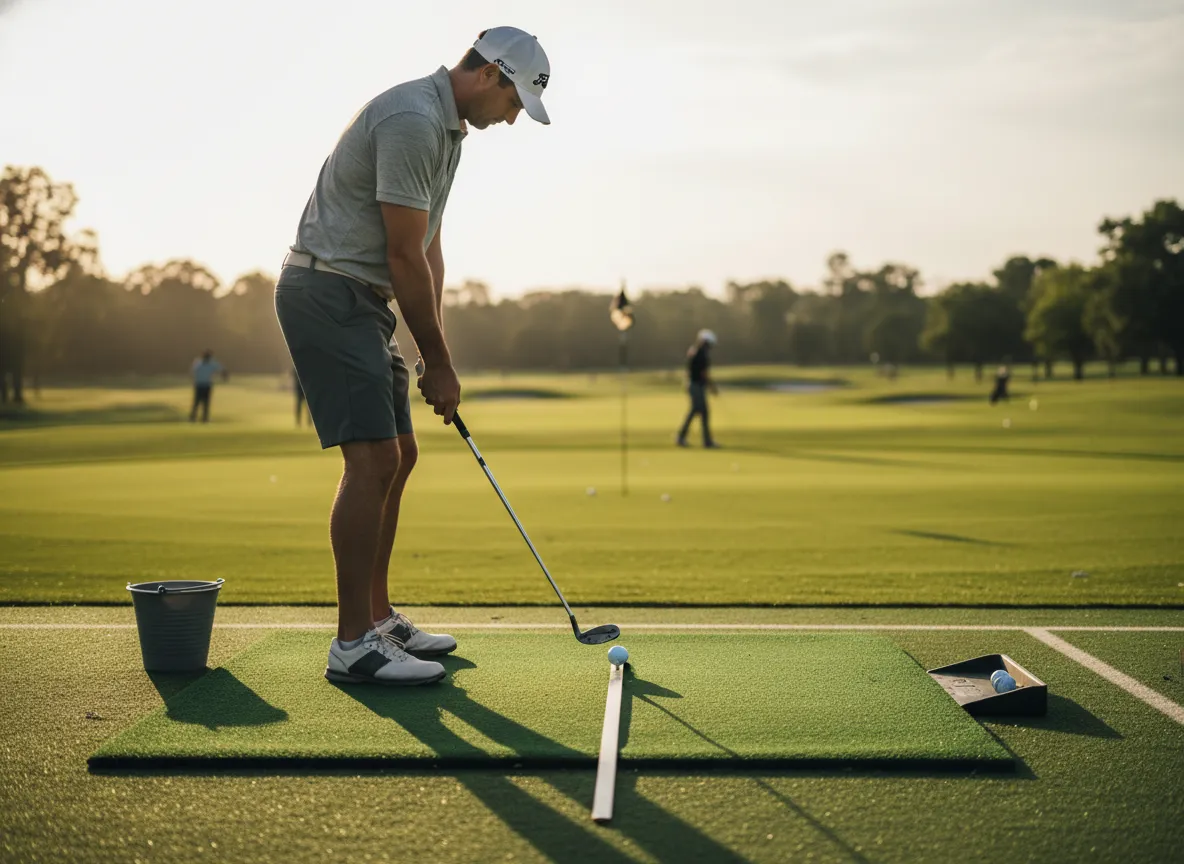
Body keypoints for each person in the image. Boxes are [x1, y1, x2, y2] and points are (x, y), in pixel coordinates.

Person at [274, 27, 552, 686]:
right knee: (371, 459)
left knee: (401, 452)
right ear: (489, 74)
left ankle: (377, 618)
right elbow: (402, 253)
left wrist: (435, 354)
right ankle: (352, 645)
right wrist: (440, 359)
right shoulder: (411, 119)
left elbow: (426, 248)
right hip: (329, 291)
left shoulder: (447, 130)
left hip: (365, 300)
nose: (513, 118)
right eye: (515, 102)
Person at [677, 329, 719, 448]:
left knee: (696, 411)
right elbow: (704, 373)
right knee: (701, 411)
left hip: (692, 384)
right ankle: (705, 441)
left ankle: (683, 437)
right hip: (696, 386)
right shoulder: (701, 354)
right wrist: (712, 387)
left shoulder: (694, 351)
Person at [189, 350, 225, 423]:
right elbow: (221, 369)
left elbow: (192, 372)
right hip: (205, 384)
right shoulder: (210, 363)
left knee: (198, 402)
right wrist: (224, 375)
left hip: (199, 384)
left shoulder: (198, 363)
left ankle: (194, 417)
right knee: (204, 402)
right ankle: (203, 418)